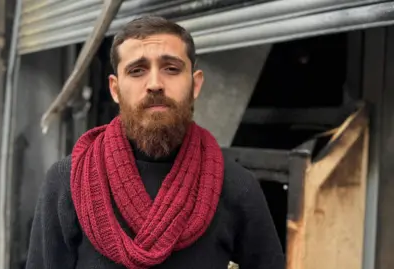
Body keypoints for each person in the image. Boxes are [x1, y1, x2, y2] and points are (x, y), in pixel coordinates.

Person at [25, 15, 284, 269]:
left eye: (171, 68)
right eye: (137, 70)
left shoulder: (236, 186)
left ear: (195, 84)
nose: (155, 84)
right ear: (115, 89)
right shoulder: (68, 181)